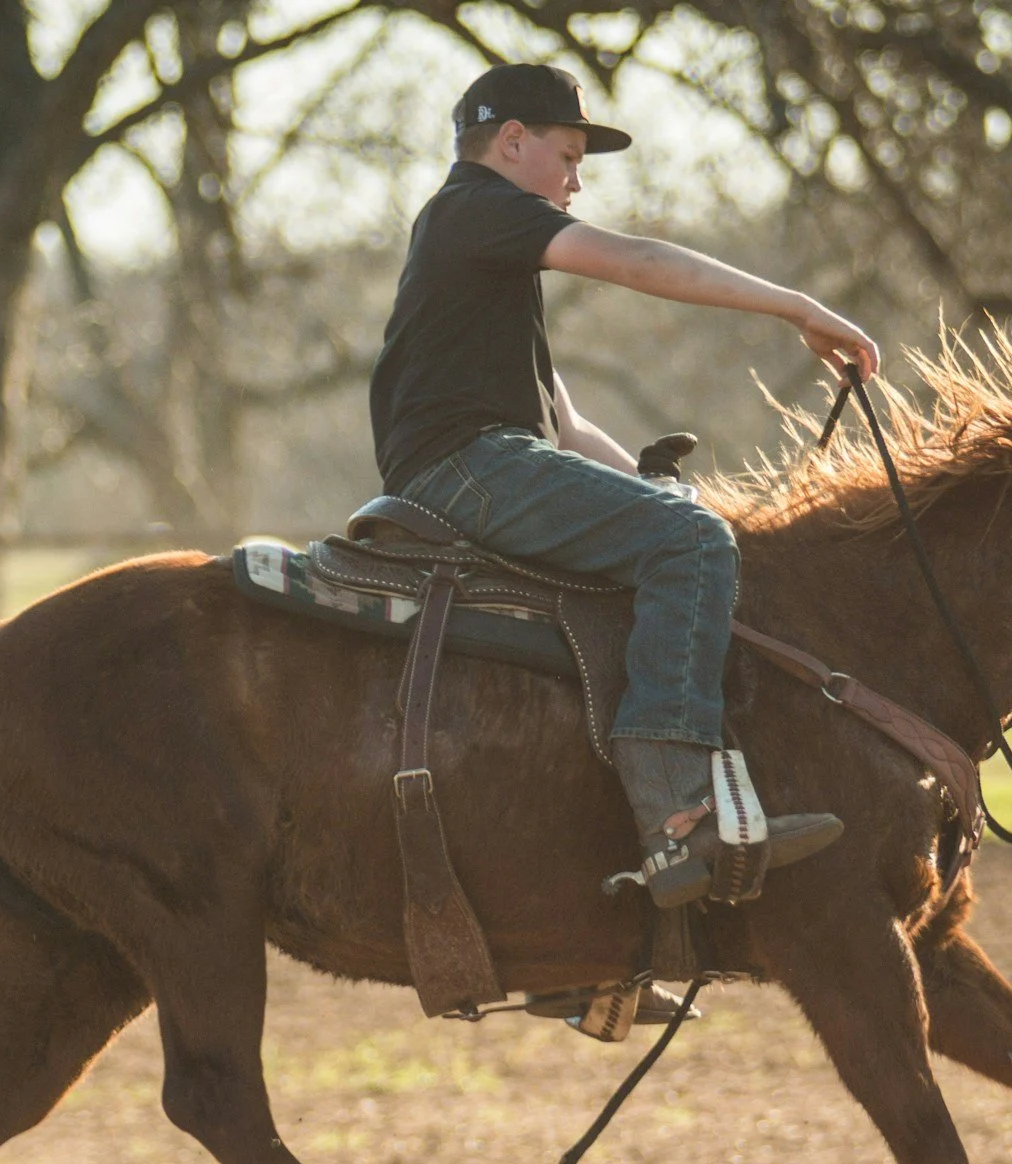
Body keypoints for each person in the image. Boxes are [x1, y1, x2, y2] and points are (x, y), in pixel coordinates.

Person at [368, 63, 882, 907]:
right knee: (689, 545)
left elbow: (565, 430)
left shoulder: (482, 268)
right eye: (568, 157)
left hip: (483, 461)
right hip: (468, 468)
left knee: (688, 527)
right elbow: (636, 259)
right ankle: (680, 809)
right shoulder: (473, 209)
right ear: (511, 143)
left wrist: (665, 493)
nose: (575, 182)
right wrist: (797, 307)